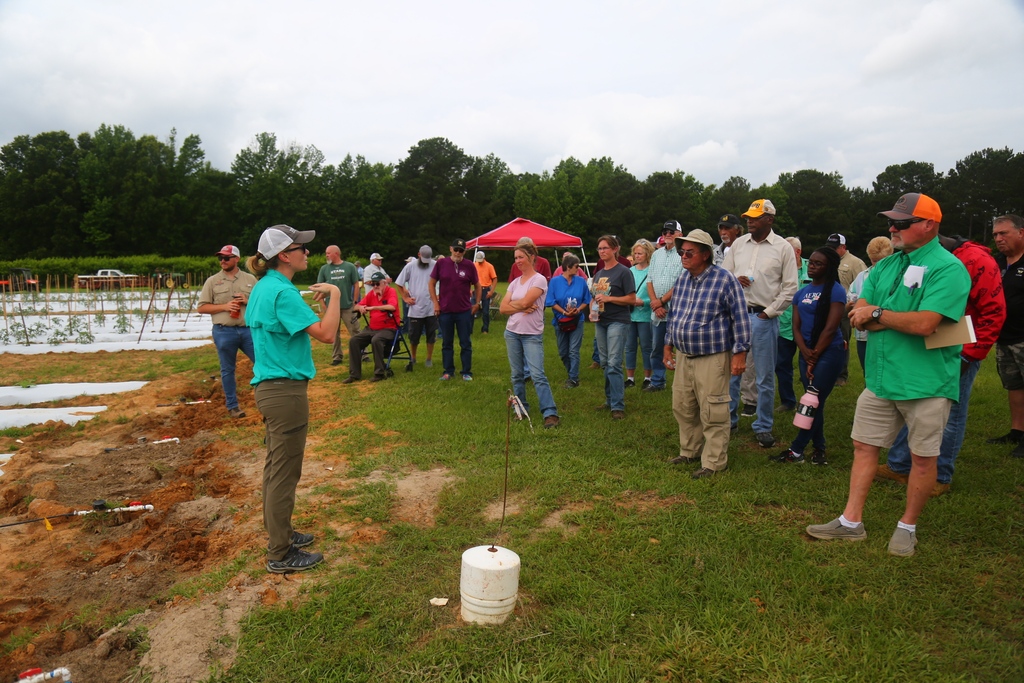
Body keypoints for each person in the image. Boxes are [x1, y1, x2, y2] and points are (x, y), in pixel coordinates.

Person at [806, 193, 970, 557]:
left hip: (925, 382)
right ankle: (851, 522)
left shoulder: (948, 268)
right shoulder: (887, 265)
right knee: (864, 447)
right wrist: (879, 313)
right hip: (881, 378)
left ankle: (907, 527)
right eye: (891, 222)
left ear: (928, 225)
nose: (892, 228)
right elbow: (857, 306)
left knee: (923, 458)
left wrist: (878, 315)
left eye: (902, 222)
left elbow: (927, 322)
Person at [245, 224, 341, 573]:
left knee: (276, 469)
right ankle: (280, 553)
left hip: (271, 389)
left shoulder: (265, 286)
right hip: (284, 392)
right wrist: (335, 294)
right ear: (284, 255)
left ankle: (281, 533)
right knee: (285, 474)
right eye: (301, 247)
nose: (307, 252)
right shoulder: (282, 293)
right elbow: (328, 335)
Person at [879, 232, 1005, 493]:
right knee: (914, 404)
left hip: (959, 349)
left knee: (951, 412)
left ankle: (940, 476)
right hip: (924, 346)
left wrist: (971, 355)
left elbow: (994, 312)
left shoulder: (975, 260)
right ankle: (900, 465)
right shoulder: (916, 259)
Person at [664, 229, 750, 479]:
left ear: (705, 255)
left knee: (713, 410)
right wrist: (668, 345)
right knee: (683, 405)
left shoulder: (725, 279)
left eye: (689, 252)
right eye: (681, 252)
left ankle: (713, 462)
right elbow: (674, 315)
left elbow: (740, 318)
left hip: (712, 356)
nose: (683, 256)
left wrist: (740, 352)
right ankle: (689, 451)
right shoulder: (682, 279)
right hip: (684, 355)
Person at [722, 199, 799, 448]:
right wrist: (735, 278)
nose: (749, 221)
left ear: (770, 219)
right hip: (736, 316)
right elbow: (723, 275)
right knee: (732, 372)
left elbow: (790, 287)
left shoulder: (783, 248)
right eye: (748, 217)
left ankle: (763, 425)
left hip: (762, 317)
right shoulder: (738, 245)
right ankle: (729, 419)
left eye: (755, 217)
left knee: (765, 376)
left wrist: (769, 312)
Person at [771, 247, 845, 465]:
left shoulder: (836, 291)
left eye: (818, 263)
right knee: (814, 401)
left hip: (829, 352)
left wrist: (814, 355)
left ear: (829, 267)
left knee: (812, 401)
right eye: (811, 262)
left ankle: (796, 450)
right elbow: (796, 326)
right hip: (806, 353)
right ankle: (819, 448)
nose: (812, 266)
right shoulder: (801, 293)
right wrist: (805, 351)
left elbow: (831, 327)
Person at [500, 243, 559, 428]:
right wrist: (522, 305)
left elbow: (526, 301)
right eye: (515, 258)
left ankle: (550, 413)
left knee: (537, 374)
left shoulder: (539, 280)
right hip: (512, 332)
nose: (517, 261)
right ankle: (520, 409)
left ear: (532, 257)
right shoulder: (515, 282)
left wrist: (518, 304)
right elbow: (502, 308)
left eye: (521, 257)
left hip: (531, 334)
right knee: (517, 375)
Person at [197, 245, 257, 418]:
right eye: (220, 258)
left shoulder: (250, 280)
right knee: (227, 370)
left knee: (262, 363)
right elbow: (201, 308)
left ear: (236, 259)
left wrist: (247, 300)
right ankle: (233, 406)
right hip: (224, 331)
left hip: (248, 331)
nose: (222, 261)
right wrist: (224, 306)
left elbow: (261, 303)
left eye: (226, 258)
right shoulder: (213, 281)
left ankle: (265, 400)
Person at [988, 215, 1024, 457]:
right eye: (995, 235)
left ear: (1021, 232)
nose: (999, 239)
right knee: (1014, 385)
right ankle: (1017, 430)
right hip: (1004, 337)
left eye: (1004, 233)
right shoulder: (997, 263)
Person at [592, 235, 638, 419]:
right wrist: (592, 311)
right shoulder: (599, 274)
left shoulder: (624, 272)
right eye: (600, 248)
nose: (602, 251)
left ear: (615, 249)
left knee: (614, 362)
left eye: (605, 248)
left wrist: (610, 299)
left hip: (618, 320)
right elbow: (593, 297)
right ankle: (609, 400)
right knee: (604, 363)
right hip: (601, 321)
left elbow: (632, 299)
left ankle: (618, 406)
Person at [430, 238, 482, 381]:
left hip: (464, 310)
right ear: (450, 249)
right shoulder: (441, 263)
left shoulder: (469, 265)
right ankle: (448, 371)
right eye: (456, 249)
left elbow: (478, 285)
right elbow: (431, 283)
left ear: (464, 251)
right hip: (445, 310)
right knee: (447, 342)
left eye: (461, 250)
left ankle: (466, 372)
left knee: (465, 342)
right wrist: (435, 303)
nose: (458, 253)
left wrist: (477, 303)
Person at [342, 272, 400, 384]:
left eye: (377, 284)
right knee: (354, 340)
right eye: (373, 284)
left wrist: (372, 307)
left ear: (384, 283)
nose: (375, 286)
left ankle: (380, 373)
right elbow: (356, 305)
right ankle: (354, 374)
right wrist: (361, 307)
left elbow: (392, 307)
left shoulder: (391, 291)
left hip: (389, 328)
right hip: (372, 328)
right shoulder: (371, 294)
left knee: (376, 340)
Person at [774, 237, 811, 412]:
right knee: (782, 365)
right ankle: (787, 401)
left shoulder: (813, 267)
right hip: (784, 325)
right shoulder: (777, 270)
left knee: (807, 365)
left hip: (806, 327)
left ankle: (809, 400)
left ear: (797, 252)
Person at [847, 236, 895, 370]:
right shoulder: (862, 276)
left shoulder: (899, 276)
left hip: (887, 333)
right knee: (867, 372)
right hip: (863, 336)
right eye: (874, 261)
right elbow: (850, 296)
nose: (877, 265)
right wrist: (851, 304)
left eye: (881, 261)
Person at [646, 221, 684, 391]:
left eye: (672, 231)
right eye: (665, 231)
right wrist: (656, 304)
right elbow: (649, 280)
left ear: (680, 234)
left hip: (678, 311)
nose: (668, 234)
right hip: (658, 312)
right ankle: (658, 381)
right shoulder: (656, 255)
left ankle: (684, 382)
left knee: (684, 348)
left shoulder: (685, 254)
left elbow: (681, 283)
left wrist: (660, 301)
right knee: (656, 347)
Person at [825, 233, 867, 386]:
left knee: (842, 340)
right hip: (827, 306)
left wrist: (855, 308)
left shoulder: (855, 263)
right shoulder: (827, 259)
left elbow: (864, 286)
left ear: (843, 247)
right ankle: (825, 371)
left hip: (844, 308)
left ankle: (841, 375)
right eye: (829, 247)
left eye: (835, 248)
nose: (832, 250)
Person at [546, 253, 591, 388]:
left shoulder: (581, 281)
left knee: (573, 350)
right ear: (568, 266)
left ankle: (573, 378)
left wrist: (578, 310)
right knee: (563, 352)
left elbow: (586, 299)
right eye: (576, 266)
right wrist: (564, 311)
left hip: (577, 320)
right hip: (560, 320)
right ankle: (571, 371)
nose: (578, 269)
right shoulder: (554, 282)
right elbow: (550, 301)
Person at [316, 245, 361, 367]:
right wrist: (323, 306)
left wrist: (355, 301)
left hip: (347, 306)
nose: (326, 255)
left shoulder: (349, 267)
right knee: (334, 333)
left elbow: (356, 284)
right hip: (332, 309)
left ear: (336, 253)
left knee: (355, 330)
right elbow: (320, 288)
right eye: (326, 253)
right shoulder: (324, 269)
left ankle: (363, 353)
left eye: (328, 253)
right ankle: (337, 356)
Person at [394, 245, 437, 371]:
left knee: (431, 334)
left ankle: (429, 359)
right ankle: (413, 357)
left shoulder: (435, 265)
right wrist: (405, 298)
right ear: (419, 255)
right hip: (415, 308)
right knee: (414, 336)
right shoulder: (410, 266)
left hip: (431, 307)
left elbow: (440, 281)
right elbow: (399, 283)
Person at [625, 239, 654, 389]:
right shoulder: (630, 271)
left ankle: (648, 377)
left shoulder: (652, 271)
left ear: (647, 254)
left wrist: (645, 302)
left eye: (640, 253)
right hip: (630, 315)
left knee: (646, 346)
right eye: (635, 253)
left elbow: (656, 293)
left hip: (645, 315)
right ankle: (630, 378)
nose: (637, 256)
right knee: (629, 347)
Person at [473, 251, 498, 333]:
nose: (479, 262)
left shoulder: (489, 266)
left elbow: (495, 279)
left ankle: (485, 329)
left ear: (484, 258)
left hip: (486, 289)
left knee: (485, 311)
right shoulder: (474, 265)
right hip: (476, 289)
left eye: (481, 260)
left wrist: (491, 291)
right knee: (471, 309)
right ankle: (469, 329)